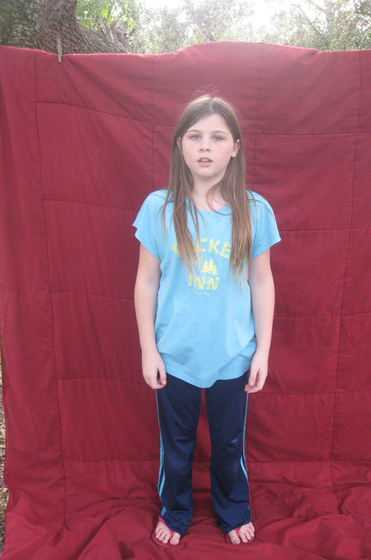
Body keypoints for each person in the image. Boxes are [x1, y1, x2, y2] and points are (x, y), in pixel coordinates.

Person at [133, 95, 280, 546]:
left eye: (217, 137)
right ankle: (175, 511)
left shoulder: (254, 211)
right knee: (176, 445)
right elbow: (147, 282)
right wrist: (149, 349)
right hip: (174, 355)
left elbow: (262, 282)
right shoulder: (159, 208)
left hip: (232, 356)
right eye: (195, 136)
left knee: (229, 444)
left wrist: (262, 352)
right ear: (180, 145)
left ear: (234, 148)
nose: (205, 146)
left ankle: (233, 509)